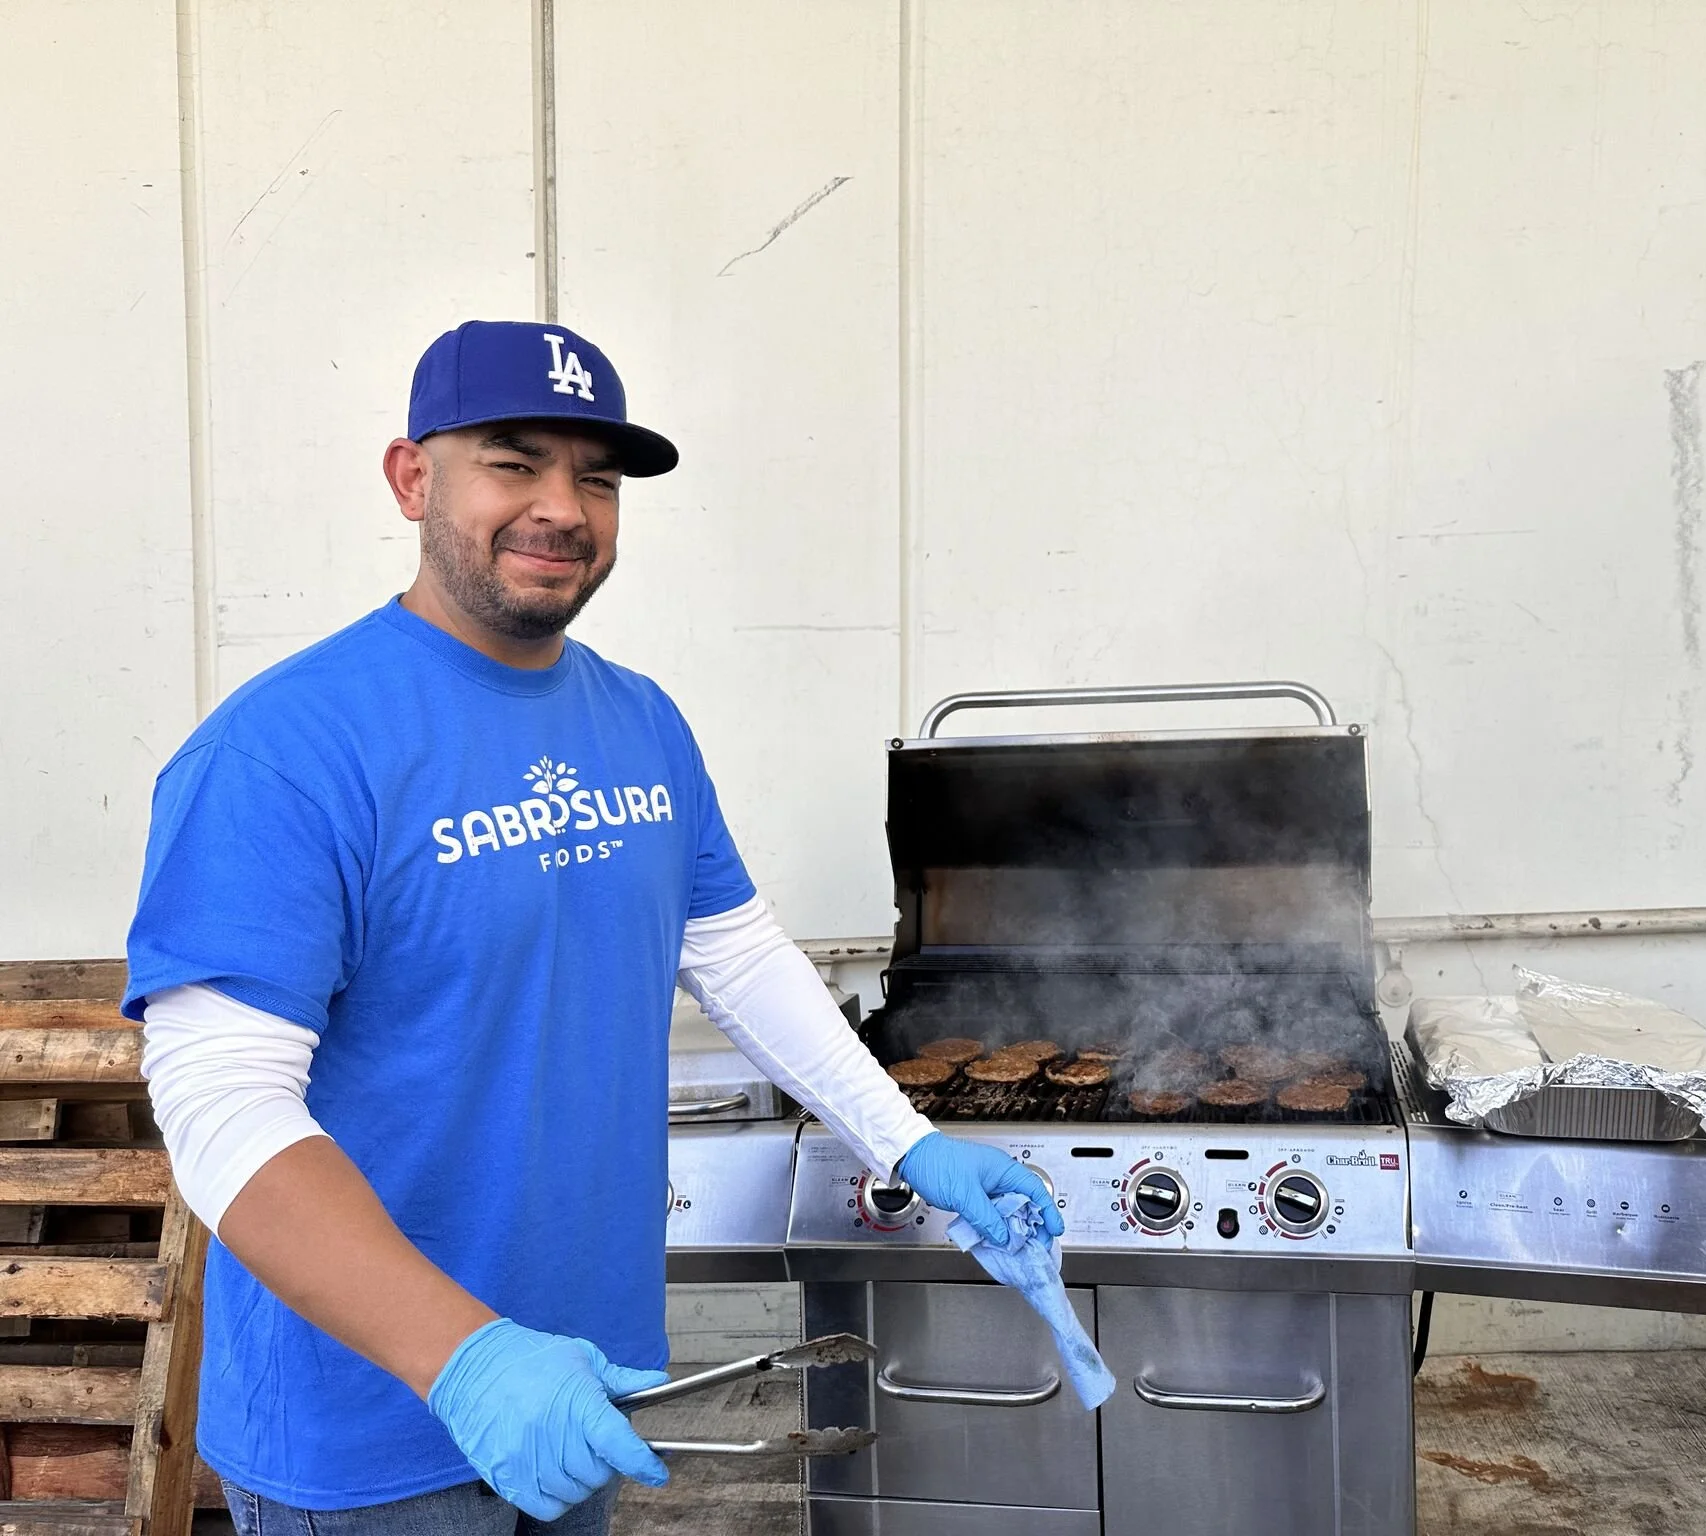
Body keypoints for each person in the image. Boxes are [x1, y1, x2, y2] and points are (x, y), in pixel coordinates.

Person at [123, 320, 1059, 1533]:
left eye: (596, 478)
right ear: (414, 477)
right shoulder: (286, 751)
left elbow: (733, 956)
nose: (562, 507)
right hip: (373, 1424)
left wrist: (908, 1142)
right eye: (514, 462)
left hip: (583, 1380)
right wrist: (462, 1355)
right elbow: (217, 1106)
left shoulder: (640, 721)